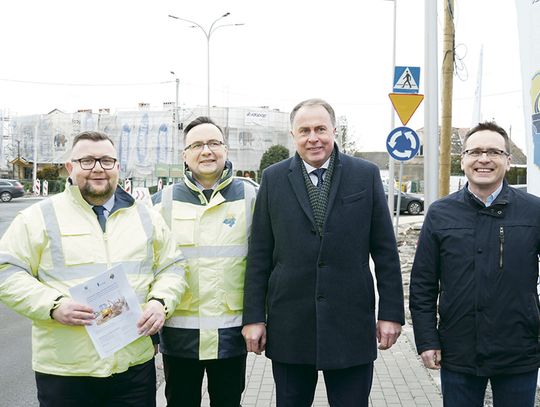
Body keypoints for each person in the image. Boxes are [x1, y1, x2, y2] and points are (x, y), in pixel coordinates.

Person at [0, 131, 186, 407]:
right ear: (70, 168)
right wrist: (53, 305)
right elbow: (6, 271)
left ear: (118, 168)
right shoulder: (37, 217)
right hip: (65, 371)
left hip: (132, 367)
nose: (98, 168)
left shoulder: (148, 217)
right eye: (87, 160)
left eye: (107, 161)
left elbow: (173, 267)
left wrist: (161, 303)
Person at [242, 98, 404, 407]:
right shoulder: (273, 180)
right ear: (293, 136)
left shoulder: (365, 176)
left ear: (334, 131)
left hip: (350, 324)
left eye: (320, 129)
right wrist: (253, 317)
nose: (313, 137)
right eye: (304, 130)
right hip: (290, 324)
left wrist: (391, 314)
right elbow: (260, 255)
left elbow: (385, 252)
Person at [409, 121, 540, 406]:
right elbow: (423, 284)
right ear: (463, 159)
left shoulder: (534, 211)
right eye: (475, 152)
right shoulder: (440, 214)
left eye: (494, 152)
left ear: (508, 160)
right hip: (458, 351)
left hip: (520, 350)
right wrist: (427, 340)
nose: (484, 159)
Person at [152, 116, 257, 407]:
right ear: (185, 156)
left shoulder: (252, 196)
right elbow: (146, 266)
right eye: (197, 145)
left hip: (232, 335)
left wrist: (261, 319)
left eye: (213, 143)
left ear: (226, 149)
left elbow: (265, 263)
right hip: (179, 336)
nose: (206, 151)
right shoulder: (162, 202)